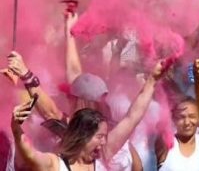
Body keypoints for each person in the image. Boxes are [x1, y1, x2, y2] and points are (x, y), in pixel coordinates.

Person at [10, 60, 167, 171]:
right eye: (99, 137)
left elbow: (132, 118)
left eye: (104, 136)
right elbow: (30, 154)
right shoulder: (56, 164)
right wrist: (16, 127)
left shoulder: (103, 156)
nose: (104, 141)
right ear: (82, 136)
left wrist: (152, 80)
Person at [155, 98, 199, 171]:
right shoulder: (166, 142)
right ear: (174, 119)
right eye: (181, 117)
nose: (186, 122)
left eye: (192, 116)